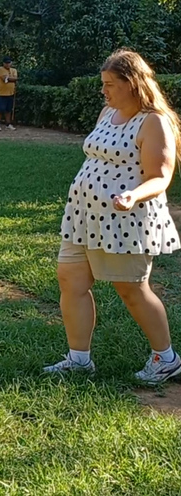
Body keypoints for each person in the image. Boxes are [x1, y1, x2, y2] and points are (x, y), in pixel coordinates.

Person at [44, 48, 181, 384]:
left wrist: (133, 195)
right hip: (84, 217)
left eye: (109, 84)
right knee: (70, 281)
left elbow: (161, 175)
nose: (103, 91)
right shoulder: (107, 113)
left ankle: (167, 359)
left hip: (126, 221)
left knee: (131, 289)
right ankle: (79, 360)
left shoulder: (153, 121)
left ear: (132, 83)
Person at [0, 56, 18, 131]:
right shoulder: (1, 69)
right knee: (0, 109)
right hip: (1, 93)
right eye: (6, 63)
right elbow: (4, 78)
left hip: (11, 93)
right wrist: (9, 78)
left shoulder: (14, 70)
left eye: (9, 63)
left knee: (8, 110)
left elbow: (15, 78)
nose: (8, 64)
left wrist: (9, 78)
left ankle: (8, 124)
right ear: (3, 63)